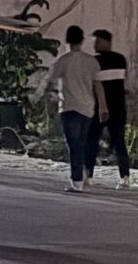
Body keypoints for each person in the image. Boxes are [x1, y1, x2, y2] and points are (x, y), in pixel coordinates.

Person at [46, 25, 103, 193]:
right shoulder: (91, 61)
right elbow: (98, 85)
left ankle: (77, 180)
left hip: (69, 107)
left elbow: (51, 80)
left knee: (74, 145)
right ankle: (82, 174)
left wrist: (49, 95)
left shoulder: (64, 61)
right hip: (87, 107)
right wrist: (103, 106)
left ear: (68, 40)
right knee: (82, 143)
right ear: (82, 40)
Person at [91, 28, 132, 187]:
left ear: (106, 42)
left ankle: (88, 174)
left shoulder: (95, 61)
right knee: (119, 142)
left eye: (98, 41)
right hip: (118, 107)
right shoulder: (120, 59)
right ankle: (125, 176)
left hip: (99, 107)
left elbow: (96, 84)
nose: (95, 44)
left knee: (92, 140)